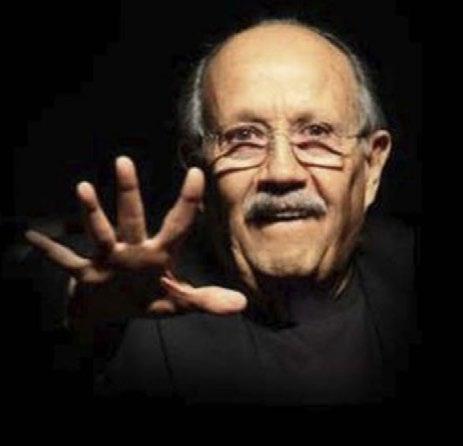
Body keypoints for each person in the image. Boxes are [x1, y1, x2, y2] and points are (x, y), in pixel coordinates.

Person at [25, 19, 417, 406]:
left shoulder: (406, 275)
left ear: (372, 167)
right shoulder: (130, 300)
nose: (282, 172)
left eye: (317, 133)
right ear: (198, 169)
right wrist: (82, 316)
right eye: (243, 138)